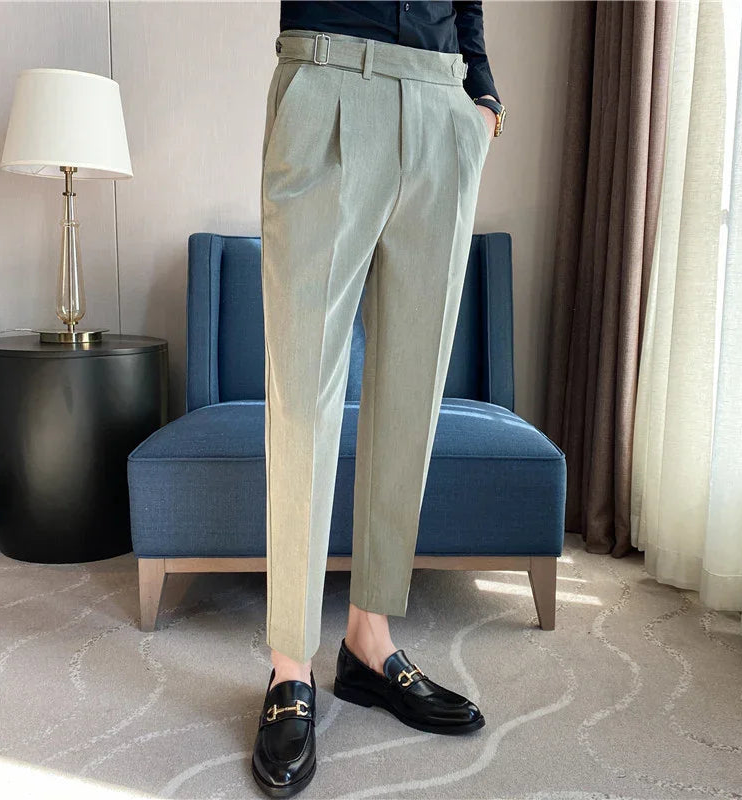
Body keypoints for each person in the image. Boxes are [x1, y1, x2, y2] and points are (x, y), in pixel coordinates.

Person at [252, 2, 506, 795]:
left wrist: (482, 97)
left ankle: (369, 640)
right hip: (327, 81)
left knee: (413, 388)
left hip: (440, 104)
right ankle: (290, 667)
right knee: (303, 392)